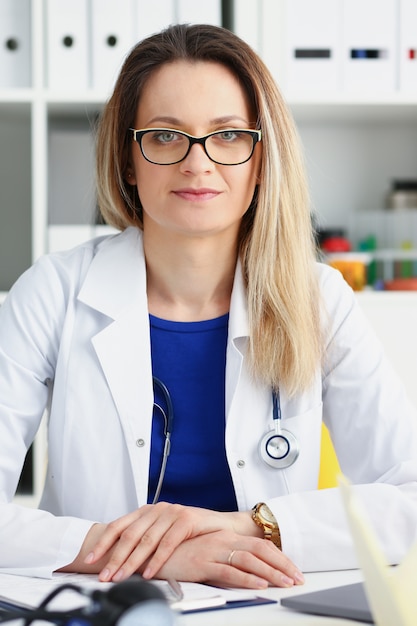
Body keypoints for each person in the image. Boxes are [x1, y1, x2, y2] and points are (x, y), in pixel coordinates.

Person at [1, 23, 417, 589]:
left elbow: (411, 498)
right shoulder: (53, 292)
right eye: (166, 136)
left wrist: (249, 528)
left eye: (227, 136)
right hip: (104, 606)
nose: (198, 163)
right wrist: (150, 556)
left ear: (260, 160)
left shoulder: (318, 299)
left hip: (267, 610)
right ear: (129, 160)